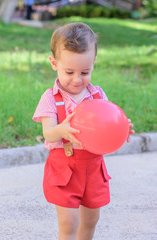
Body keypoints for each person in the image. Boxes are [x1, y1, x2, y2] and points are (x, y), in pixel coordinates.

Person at [33, 22, 134, 240]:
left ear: (93, 63)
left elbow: (109, 125)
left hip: (93, 167)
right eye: (69, 72)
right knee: (69, 222)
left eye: (85, 72)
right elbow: (48, 133)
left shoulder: (98, 95)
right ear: (54, 63)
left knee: (90, 220)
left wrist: (123, 129)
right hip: (65, 168)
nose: (77, 79)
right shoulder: (50, 98)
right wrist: (61, 129)